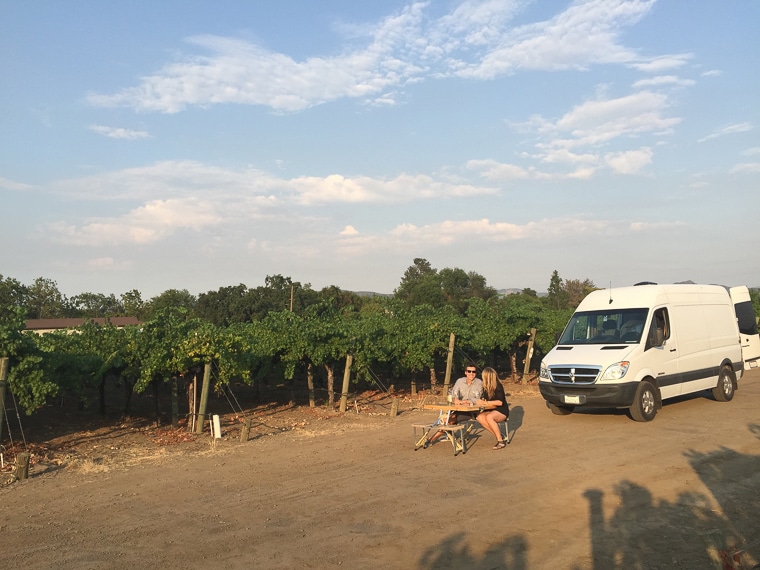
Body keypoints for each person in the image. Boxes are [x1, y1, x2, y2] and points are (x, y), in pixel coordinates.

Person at [424, 365, 483, 447]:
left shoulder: (479, 383)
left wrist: (465, 402)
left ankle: (431, 439)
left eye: (474, 372)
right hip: (458, 409)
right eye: (469, 371)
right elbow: (453, 394)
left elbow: (477, 399)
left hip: (472, 411)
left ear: (476, 373)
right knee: (445, 420)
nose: (471, 373)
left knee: (448, 421)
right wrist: (456, 400)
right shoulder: (460, 381)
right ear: (465, 372)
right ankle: (448, 435)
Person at [475, 367, 510, 450]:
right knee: (480, 417)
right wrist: (482, 401)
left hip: (501, 410)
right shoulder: (485, 387)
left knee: (489, 417)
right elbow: (485, 399)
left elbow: (499, 402)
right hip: (491, 409)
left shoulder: (498, 386)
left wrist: (486, 403)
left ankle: (500, 441)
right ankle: (499, 435)